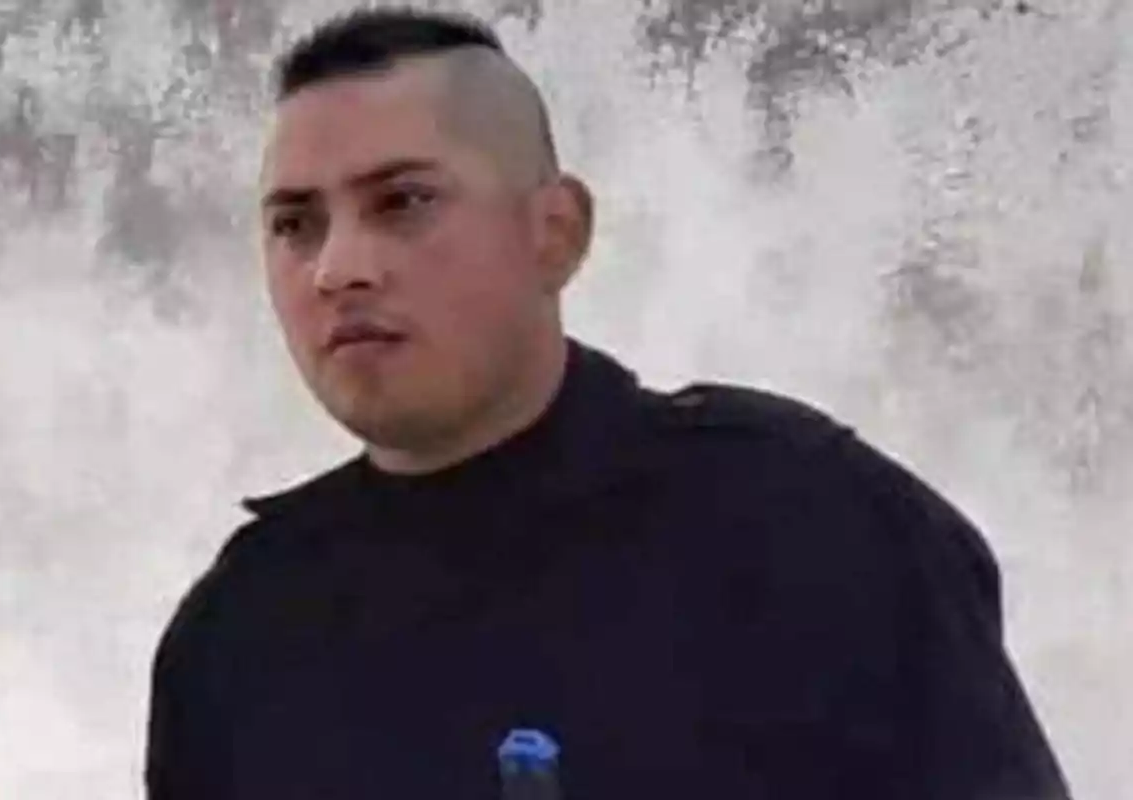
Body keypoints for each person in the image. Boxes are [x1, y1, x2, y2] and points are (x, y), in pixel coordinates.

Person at [144, 7, 1072, 799]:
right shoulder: (241, 638)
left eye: (404, 202)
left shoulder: (806, 528)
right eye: (293, 225)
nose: (338, 267)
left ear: (557, 232)